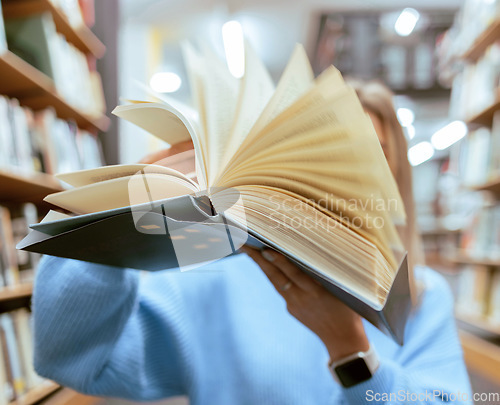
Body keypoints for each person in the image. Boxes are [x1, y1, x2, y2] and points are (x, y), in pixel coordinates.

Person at [32, 81, 473, 405]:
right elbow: (75, 360)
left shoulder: (421, 296)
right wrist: (112, 209)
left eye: (371, 151)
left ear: (395, 181)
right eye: (327, 149)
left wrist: (350, 351)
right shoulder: (215, 273)